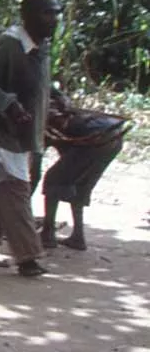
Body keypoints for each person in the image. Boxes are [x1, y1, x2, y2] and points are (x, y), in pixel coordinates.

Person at [0, 0, 61, 277]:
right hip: (0, 136)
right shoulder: (10, 45)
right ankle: (28, 257)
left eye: (57, 13)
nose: (54, 19)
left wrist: (56, 98)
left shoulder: (39, 46)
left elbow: (36, 83)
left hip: (22, 136)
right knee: (15, 192)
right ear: (28, 16)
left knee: (4, 190)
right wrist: (7, 105)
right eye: (48, 13)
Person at [41, 88, 127, 251]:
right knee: (79, 185)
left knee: (52, 180)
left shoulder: (43, 118)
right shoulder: (56, 100)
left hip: (95, 139)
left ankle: (48, 233)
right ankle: (77, 236)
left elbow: (35, 166)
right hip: (112, 137)